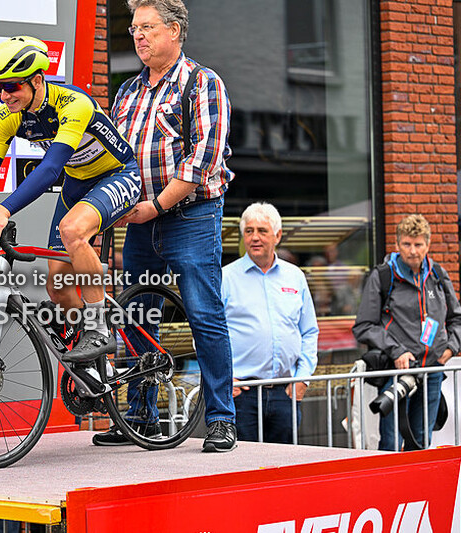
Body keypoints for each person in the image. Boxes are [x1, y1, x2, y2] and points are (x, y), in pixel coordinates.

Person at [0, 36, 142, 363]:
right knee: (59, 290)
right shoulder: (8, 115)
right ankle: (94, 367)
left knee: (73, 230)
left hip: (119, 175)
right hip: (79, 183)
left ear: (37, 81)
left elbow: (50, 169)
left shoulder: (73, 104)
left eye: (12, 87)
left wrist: (3, 211)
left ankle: (98, 329)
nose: (4, 95)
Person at [92, 0, 237, 452]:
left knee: (204, 316)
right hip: (138, 218)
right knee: (136, 315)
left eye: (147, 27)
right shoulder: (128, 92)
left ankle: (220, 420)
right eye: (134, 28)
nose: (137, 35)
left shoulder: (202, 83)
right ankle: (141, 416)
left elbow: (204, 159)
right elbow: (114, 158)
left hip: (190, 216)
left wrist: (156, 204)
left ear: (174, 30)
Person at [353, 214, 461, 451]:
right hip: (397, 372)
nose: (413, 251)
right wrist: (396, 350)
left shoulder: (438, 275)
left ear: (428, 245)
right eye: (407, 244)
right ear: (397, 244)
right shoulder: (383, 276)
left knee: (422, 441)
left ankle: (419, 488)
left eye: (418, 244)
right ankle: (390, 488)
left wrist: (450, 348)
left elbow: (457, 318)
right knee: (391, 443)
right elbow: (363, 326)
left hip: (431, 371)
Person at [222, 203, 319, 444]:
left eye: (262, 231)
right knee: (241, 470)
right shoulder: (225, 278)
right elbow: (205, 335)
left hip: (285, 393)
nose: (255, 237)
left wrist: (302, 378)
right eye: (249, 231)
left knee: (285, 470)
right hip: (240, 396)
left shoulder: (295, 276)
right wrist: (223, 379)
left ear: (277, 235)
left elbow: (309, 331)